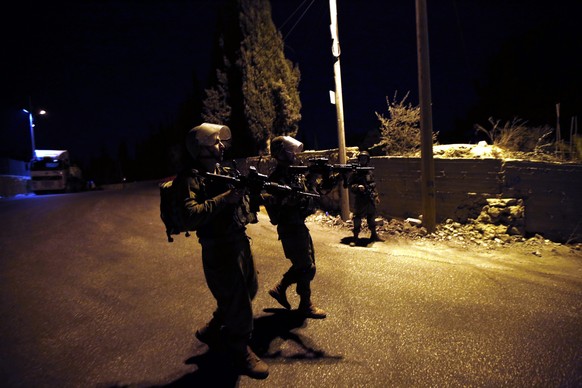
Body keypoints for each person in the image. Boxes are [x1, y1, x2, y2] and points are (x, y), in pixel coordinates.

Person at [183, 123, 269, 379]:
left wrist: (256, 194)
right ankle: (240, 348)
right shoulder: (192, 177)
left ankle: (213, 327)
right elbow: (189, 216)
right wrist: (225, 199)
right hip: (218, 248)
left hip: (239, 242)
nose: (222, 146)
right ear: (201, 149)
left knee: (249, 288)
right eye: (215, 143)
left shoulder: (225, 171)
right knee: (239, 302)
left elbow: (243, 200)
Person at [263, 136, 327, 319]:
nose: (294, 155)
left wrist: (315, 179)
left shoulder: (294, 174)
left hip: (299, 225)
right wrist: (289, 200)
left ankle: (280, 288)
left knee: (306, 264)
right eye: (290, 151)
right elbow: (277, 210)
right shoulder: (275, 179)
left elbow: (311, 196)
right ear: (280, 153)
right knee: (306, 266)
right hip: (290, 228)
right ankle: (305, 305)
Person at [347, 150, 383, 244]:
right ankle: (355, 237)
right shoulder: (355, 173)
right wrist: (358, 187)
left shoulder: (369, 172)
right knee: (357, 218)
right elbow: (350, 185)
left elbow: (373, 184)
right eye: (361, 159)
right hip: (360, 199)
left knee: (371, 217)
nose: (363, 160)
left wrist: (376, 196)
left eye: (365, 159)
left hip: (369, 198)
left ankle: (374, 235)